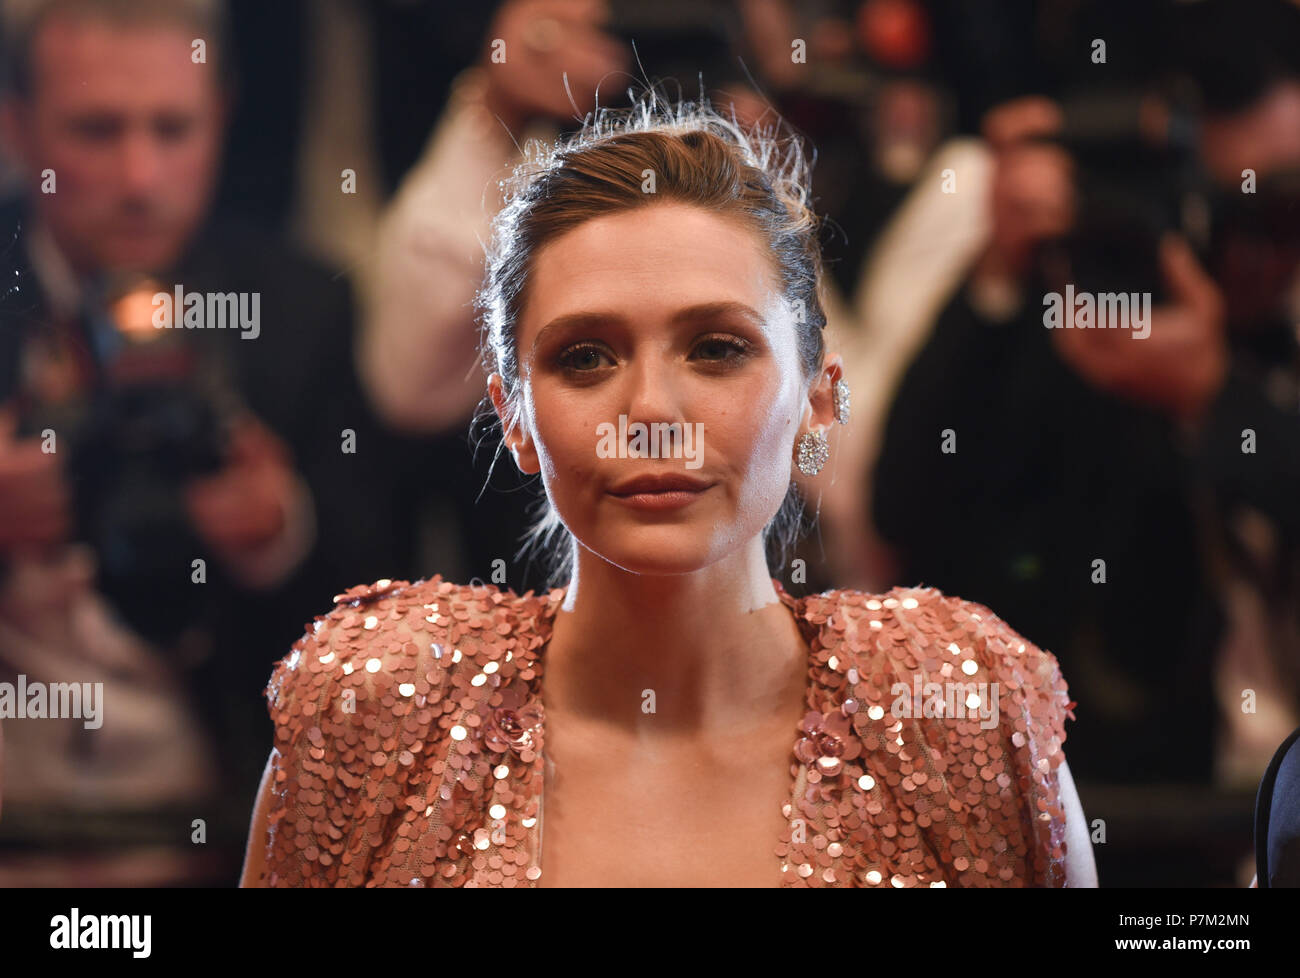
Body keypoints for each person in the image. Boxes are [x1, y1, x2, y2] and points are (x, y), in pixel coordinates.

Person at [240, 94, 1096, 887]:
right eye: (586, 357)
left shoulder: (961, 714)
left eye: (717, 347)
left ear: (819, 397)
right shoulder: (376, 711)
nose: (650, 411)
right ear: (514, 418)